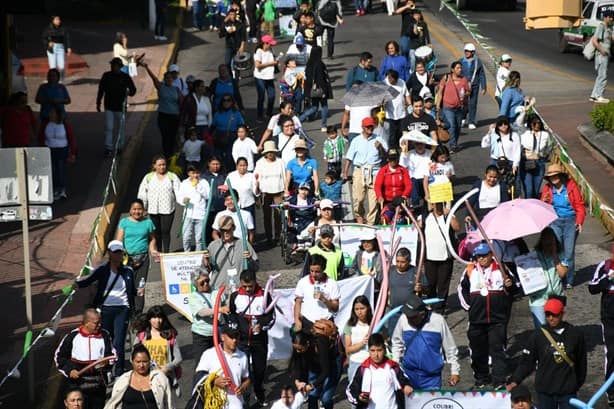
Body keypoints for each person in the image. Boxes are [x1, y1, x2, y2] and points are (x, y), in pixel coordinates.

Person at [507, 298, 587, 409]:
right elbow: (527, 362)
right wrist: (515, 380)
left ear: (562, 314)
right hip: (545, 392)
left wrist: (574, 384)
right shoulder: (538, 336)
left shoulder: (576, 335)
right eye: (547, 314)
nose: (550, 318)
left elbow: (581, 363)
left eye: (554, 315)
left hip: (567, 391)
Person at [458, 242, 516, 389]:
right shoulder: (470, 270)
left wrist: (510, 285)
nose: (482, 259)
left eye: (484, 255)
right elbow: (461, 289)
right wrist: (469, 308)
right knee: (478, 351)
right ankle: (482, 377)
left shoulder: (501, 268)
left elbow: (516, 289)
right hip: (477, 319)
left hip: (497, 320)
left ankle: (499, 380)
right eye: (479, 256)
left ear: (491, 255)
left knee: (498, 351)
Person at [76, 240, 139, 376]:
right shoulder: (102, 270)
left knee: (119, 341)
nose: (117, 255)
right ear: (110, 253)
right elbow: (88, 280)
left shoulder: (128, 271)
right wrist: (75, 285)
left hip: (123, 309)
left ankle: (119, 372)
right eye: (115, 252)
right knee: (106, 340)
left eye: (120, 252)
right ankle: (107, 370)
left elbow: (132, 290)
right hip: (105, 310)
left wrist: (139, 292)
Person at [391, 293, 460, 390]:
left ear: (422, 314)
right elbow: (397, 343)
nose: (408, 319)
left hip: (432, 378)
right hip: (408, 376)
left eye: (412, 317)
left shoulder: (438, 321)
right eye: (407, 315)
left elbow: (450, 348)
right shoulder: (403, 319)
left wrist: (455, 371)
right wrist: (395, 367)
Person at [228, 270, 276, 406]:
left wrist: (261, 325)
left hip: (259, 340)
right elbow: (231, 314)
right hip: (241, 340)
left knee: (259, 369)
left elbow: (271, 316)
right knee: (243, 370)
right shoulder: (235, 296)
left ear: (255, 282)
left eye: (251, 286)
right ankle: (245, 396)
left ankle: (259, 392)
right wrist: (235, 325)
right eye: (245, 286)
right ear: (241, 283)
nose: (248, 289)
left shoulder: (265, 296)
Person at [55, 309, 114, 409]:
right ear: (86, 323)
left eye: (100, 322)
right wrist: (70, 371)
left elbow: (112, 354)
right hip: (78, 384)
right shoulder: (72, 336)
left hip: (98, 385)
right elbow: (60, 358)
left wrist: (107, 362)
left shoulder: (105, 335)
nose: (99, 325)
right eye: (96, 323)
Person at [541, 163, 585, 288]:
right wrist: (543, 202)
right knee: (557, 251)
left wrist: (579, 221)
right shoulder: (547, 188)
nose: (553, 178)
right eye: (551, 176)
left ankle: (569, 279)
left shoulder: (571, 186)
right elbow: (543, 206)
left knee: (569, 252)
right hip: (555, 221)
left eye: (555, 175)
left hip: (571, 222)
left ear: (560, 175)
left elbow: (580, 206)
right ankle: (558, 277)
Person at [193, 316, 251, 409]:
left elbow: (246, 379)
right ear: (222, 337)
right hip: (215, 405)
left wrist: (243, 388)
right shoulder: (209, 354)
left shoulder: (243, 356)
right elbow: (198, 378)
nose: (234, 340)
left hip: (236, 404)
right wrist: (214, 381)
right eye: (231, 337)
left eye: (236, 336)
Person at [347, 333, 413, 408]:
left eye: (379, 350)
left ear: (384, 350)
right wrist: (359, 398)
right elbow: (350, 390)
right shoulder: (363, 369)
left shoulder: (394, 367)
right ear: (368, 350)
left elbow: (405, 381)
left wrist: (407, 386)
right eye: (372, 350)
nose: (376, 354)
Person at [342, 116, 388, 225]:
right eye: (367, 127)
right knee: (358, 198)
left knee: (374, 200)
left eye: (371, 126)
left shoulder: (379, 139)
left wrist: (380, 148)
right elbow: (349, 157)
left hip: (375, 171)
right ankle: (359, 216)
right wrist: (345, 172)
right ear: (363, 127)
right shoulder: (356, 140)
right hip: (359, 170)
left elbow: (387, 156)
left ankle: (371, 223)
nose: (370, 128)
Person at [116, 199, 158, 315]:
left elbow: (152, 238)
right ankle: (128, 310)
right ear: (130, 210)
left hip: (143, 259)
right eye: (134, 209)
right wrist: (121, 253)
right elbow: (119, 240)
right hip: (127, 260)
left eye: (139, 209)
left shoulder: (148, 223)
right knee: (128, 285)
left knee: (140, 286)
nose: (137, 211)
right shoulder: (124, 222)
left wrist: (153, 249)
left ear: (143, 210)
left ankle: (138, 313)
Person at [103, 344, 174, 408]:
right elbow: (112, 404)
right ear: (132, 362)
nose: (141, 365)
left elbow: (169, 404)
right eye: (138, 362)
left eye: (145, 361)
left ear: (149, 362)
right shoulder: (122, 380)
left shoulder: (160, 378)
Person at [133, 306, 183, 394]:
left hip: (164, 377)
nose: (157, 321)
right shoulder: (142, 336)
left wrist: (167, 368)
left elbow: (178, 359)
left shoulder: (169, 336)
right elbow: (132, 357)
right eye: (154, 317)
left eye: (160, 317)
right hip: (146, 377)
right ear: (149, 319)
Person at [137, 155, 181, 253]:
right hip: (153, 210)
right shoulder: (148, 177)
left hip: (168, 209)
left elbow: (179, 192)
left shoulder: (172, 177)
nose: (162, 167)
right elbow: (142, 193)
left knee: (165, 231)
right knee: (156, 232)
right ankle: (159, 252)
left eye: (164, 165)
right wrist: (143, 207)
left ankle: (166, 253)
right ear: (154, 166)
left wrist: (184, 201)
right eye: (159, 165)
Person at [588, 245, 614, 406]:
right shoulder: (604, 267)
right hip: (610, 318)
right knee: (612, 353)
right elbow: (592, 288)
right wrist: (608, 279)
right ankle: (611, 390)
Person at [204, 216, 259, 292]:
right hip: (219, 290)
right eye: (222, 230)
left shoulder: (244, 244)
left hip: (239, 291)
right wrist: (206, 263)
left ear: (233, 228)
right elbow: (205, 271)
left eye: (228, 230)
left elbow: (256, 268)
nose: (225, 233)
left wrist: (250, 259)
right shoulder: (213, 246)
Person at [188, 268, 228, 371]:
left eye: (207, 281)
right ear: (195, 284)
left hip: (219, 333)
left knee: (220, 363)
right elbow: (202, 312)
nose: (206, 284)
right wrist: (219, 310)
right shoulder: (193, 297)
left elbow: (225, 302)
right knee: (202, 365)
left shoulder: (216, 291)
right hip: (202, 336)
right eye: (202, 283)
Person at [423, 202, 460, 313]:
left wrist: (449, 214)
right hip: (430, 257)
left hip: (445, 257)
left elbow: (457, 227)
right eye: (436, 204)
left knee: (443, 283)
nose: (438, 206)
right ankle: (430, 304)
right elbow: (416, 226)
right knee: (430, 283)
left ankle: (440, 307)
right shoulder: (425, 216)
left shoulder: (449, 216)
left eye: (440, 204)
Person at [96, 57, 137, 157]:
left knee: (121, 128)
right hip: (109, 106)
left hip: (120, 107)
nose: (114, 67)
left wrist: (129, 92)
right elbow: (101, 90)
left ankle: (119, 147)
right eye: (113, 65)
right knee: (109, 128)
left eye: (116, 66)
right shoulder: (106, 76)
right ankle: (108, 147)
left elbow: (133, 90)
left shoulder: (125, 77)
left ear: (120, 67)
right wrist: (98, 102)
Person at [527, 228, 567, 328]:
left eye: (551, 241)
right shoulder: (534, 255)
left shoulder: (561, 254)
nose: (548, 243)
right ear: (541, 241)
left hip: (556, 297)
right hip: (538, 299)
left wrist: (555, 256)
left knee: (556, 328)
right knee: (541, 330)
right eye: (546, 240)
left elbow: (562, 273)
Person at [142, 63, 184, 159]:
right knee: (165, 137)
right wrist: (147, 67)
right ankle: (167, 155)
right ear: (164, 79)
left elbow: (182, 102)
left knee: (173, 137)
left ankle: (172, 156)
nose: (169, 80)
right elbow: (154, 78)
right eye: (167, 78)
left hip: (174, 116)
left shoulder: (176, 89)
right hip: (163, 116)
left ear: (172, 79)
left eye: (170, 78)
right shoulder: (161, 87)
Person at [288, 330, 337, 409]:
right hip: (315, 366)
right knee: (312, 395)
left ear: (307, 343)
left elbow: (326, 371)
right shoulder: (299, 347)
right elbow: (296, 364)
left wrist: (312, 385)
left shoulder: (320, 343)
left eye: (300, 349)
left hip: (331, 366)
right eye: (295, 348)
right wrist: (297, 381)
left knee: (326, 398)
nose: (298, 351)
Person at [381, 247, 427, 331]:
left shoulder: (416, 272)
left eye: (402, 262)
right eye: (397, 261)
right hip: (394, 312)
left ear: (409, 261)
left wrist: (421, 288)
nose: (399, 264)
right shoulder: (390, 271)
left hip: (411, 313)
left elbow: (427, 290)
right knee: (393, 336)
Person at [39, 105, 76, 201]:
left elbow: (71, 139)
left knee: (60, 169)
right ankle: (54, 189)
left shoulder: (64, 125)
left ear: (57, 115)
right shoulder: (45, 124)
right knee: (51, 170)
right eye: (50, 113)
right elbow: (40, 137)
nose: (50, 115)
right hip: (49, 150)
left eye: (53, 113)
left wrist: (72, 153)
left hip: (62, 150)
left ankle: (62, 189)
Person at [254, 140, 285, 244]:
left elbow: (284, 177)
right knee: (266, 215)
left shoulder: (281, 162)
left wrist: (285, 191)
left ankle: (277, 236)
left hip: (278, 192)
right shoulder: (260, 163)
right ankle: (269, 237)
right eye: (268, 152)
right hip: (265, 193)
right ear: (265, 153)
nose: (270, 153)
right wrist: (257, 192)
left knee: (278, 214)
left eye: (272, 151)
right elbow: (256, 178)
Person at [481, 116, 521, 197]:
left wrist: (515, 164)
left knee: (511, 184)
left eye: (505, 123)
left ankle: (510, 199)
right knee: (494, 182)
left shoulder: (514, 135)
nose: (503, 126)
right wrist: (489, 132)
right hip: (496, 161)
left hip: (509, 162)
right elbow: (484, 144)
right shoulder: (494, 134)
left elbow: (517, 151)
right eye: (500, 124)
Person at [436, 61, 470, 153]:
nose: (460, 70)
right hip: (447, 107)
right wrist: (438, 105)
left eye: (461, 68)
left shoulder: (464, 80)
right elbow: (440, 92)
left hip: (459, 108)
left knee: (458, 126)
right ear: (452, 69)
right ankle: (452, 145)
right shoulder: (446, 78)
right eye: (458, 68)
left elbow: (468, 91)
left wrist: (465, 94)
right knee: (452, 125)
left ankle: (455, 142)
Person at [300, 46, 333, 133]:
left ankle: (300, 119)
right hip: (320, 90)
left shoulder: (309, 63)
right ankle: (323, 125)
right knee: (324, 107)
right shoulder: (319, 64)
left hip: (312, 90)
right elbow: (321, 78)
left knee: (314, 108)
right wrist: (324, 91)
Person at [178, 165, 210, 251]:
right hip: (188, 214)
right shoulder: (184, 183)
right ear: (189, 173)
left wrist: (198, 186)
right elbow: (179, 197)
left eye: (197, 173)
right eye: (193, 173)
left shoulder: (204, 182)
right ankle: (187, 254)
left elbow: (207, 196)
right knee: (186, 237)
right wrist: (183, 200)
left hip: (200, 214)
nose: (195, 175)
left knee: (199, 239)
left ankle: (198, 257)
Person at [211, 93, 245, 171]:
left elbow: (242, 126)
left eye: (228, 100)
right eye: (224, 100)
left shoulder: (236, 114)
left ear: (232, 102)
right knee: (218, 157)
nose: (226, 102)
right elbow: (212, 127)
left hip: (232, 137)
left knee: (230, 157)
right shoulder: (217, 114)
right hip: (219, 137)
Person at [520, 115, 551, 199]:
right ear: (530, 124)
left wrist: (541, 155)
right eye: (534, 123)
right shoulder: (525, 134)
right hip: (527, 163)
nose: (537, 125)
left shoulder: (545, 135)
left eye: (539, 123)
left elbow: (549, 148)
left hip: (539, 163)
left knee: (535, 191)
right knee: (529, 190)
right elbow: (518, 124)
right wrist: (525, 111)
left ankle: (535, 208)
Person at [343, 296, 373, 384]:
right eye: (356, 309)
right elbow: (348, 349)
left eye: (362, 308)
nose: (359, 312)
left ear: (368, 308)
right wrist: (362, 344)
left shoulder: (374, 323)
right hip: (355, 363)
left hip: (371, 363)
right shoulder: (350, 325)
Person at [227, 156, 260, 232]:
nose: (242, 168)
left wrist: (258, 186)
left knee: (249, 225)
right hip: (234, 204)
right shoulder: (231, 176)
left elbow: (256, 193)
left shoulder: (251, 176)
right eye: (240, 165)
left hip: (248, 204)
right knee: (235, 224)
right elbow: (226, 189)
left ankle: (250, 242)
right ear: (237, 166)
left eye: (244, 165)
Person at [459, 43, 486, 129]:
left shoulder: (478, 62)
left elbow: (482, 75)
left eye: (469, 51)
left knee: (473, 103)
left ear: (473, 52)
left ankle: (471, 121)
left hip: (474, 85)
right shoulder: (460, 61)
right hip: (463, 86)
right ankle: (462, 117)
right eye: (465, 51)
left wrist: (484, 87)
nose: (467, 53)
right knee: (463, 103)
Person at [590, 10, 614, 104]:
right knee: (603, 76)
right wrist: (601, 50)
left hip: (606, 54)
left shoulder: (609, 28)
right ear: (606, 17)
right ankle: (598, 96)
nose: (612, 19)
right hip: (601, 55)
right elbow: (594, 41)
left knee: (601, 75)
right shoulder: (601, 26)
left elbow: (611, 40)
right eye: (610, 17)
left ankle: (593, 95)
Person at [400, 137, 430, 209]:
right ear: (414, 145)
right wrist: (403, 152)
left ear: (425, 144)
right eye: (417, 144)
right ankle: (414, 205)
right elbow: (402, 165)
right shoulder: (410, 153)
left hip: (427, 178)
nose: (419, 146)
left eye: (421, 144)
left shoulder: (430, 152)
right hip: (414, 179)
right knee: (412, 182)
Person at [253, 34, 279, 121]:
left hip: (269, 76)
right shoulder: (259, 52)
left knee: (272, 96)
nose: (271, 45)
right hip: (260, 77)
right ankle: (259, 115)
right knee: (261, 96)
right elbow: (258, 65)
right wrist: (272, 63)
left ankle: (269, 113)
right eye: (270, 44)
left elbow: (273, 59)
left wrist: (276, 62)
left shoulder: (271, 50)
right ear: (265, 43)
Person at [202, 156, 227, 243]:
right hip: (209, 208)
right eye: (213, 164)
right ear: (209, 164)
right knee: (208, 230)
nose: (215, 166)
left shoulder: (224, 176)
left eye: (217, 164)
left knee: (221, 229)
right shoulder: (203, 177)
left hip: (221, 207)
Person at [383, 70, 411, 148]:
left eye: (395, 81)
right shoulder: (384, 84)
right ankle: (392, 150)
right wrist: (383, 103)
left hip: (401, 114)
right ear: (388, 77)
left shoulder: (401, 82)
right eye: (391, 80)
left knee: (401, 133)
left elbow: (407, 95)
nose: (393, 82)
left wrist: (410, 106)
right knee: (391, 135)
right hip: (389, 115)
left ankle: (401, 148)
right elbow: (381, 99)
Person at [42, 15, 72, 80]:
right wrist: (48, 43)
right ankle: (53, 80)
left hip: (61, 48)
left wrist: (68, 47)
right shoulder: (48, 29)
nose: (58, 21)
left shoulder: (63, 28)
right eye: (56, 19)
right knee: (53, 67)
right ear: (53, 21)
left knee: (62, 66)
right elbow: (44, 38)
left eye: (59, 19)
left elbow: (67, 38)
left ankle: (61, 80)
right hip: (52, 49)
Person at [221, 7, 246, 73]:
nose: (232, 16)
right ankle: (230, 75)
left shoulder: (240, 24)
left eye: (233, 14)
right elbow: (221, 34)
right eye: (231, 14)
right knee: (227, 62)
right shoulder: (226, 23)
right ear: (228, 15)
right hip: (229, 45)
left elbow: (243, 36)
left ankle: (237, 77)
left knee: (237, 63)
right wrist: (224, 22)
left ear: (235, 15)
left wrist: (242, 46)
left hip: (237, 46)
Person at [406, 9, 431, 74]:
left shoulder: (423, 23)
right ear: (413, 16)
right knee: (413, 59)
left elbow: (426, 33)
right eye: (415, 15)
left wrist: (428, 42)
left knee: (422, 61)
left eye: (418, 15)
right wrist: (413, 29)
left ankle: (422, 72)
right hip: (413, 46)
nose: (417, 16)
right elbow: (408, 34)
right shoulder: (410, 24)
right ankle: (412, 72)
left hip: (421, 45)